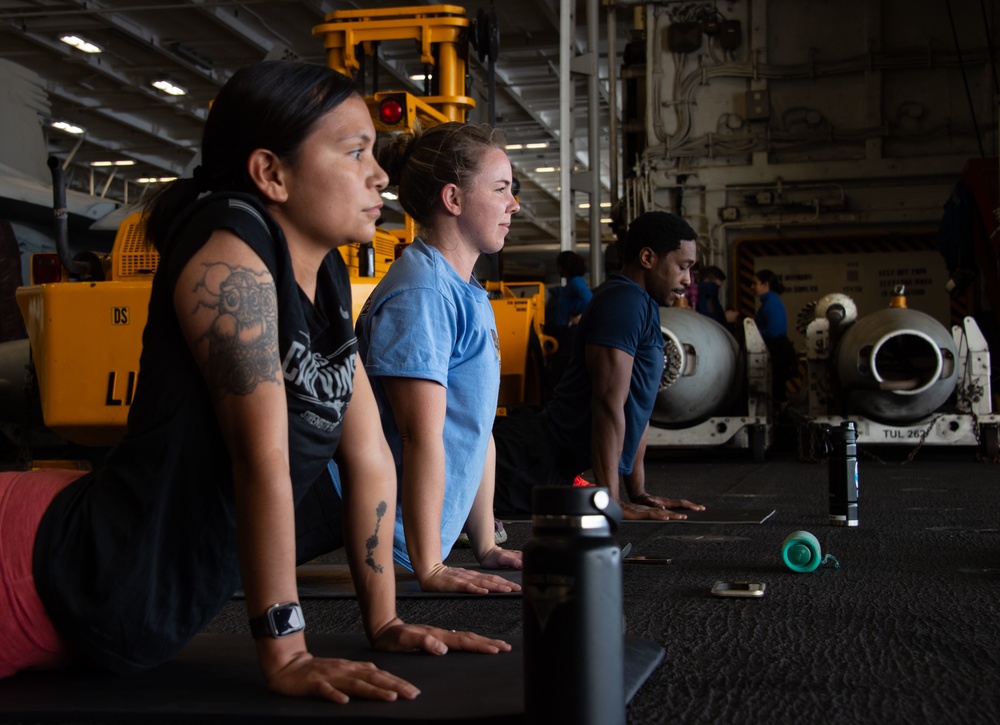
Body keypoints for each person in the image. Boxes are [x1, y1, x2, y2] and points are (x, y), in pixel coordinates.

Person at [0, 60, 509, 700]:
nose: (380, 175)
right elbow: (260, 456)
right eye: (355, 152)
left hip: (120, 596)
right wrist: (288, 651)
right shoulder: (229, 249)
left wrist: (384, 620)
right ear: (271, 172)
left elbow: (370, 454)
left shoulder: (321, 275)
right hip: (37, 569)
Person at [347, 122, 522, 595]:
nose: (514, 204)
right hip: (397, 549)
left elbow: (476, 425)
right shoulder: (422, 294)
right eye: (501, 189)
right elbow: (418, 437)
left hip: (428, 546)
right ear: (453, 199)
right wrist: (430, 568)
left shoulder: (464, 291)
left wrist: (484, 543)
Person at [493, 211, 705, 520]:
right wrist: (611, 502)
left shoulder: (643, 304)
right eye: (683, 267)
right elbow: (607, 402)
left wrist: (639, 492)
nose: (688, 280)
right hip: (526, 461)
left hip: (549, 464)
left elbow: (639, 406)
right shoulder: (624, 303)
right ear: (647, 257)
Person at [751, 268, 798, 404]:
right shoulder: (768, 302)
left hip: (777, 352)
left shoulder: (772, 304)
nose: (752, 287)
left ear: (765, 285)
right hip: (776, 350)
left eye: (755, 283)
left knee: (776, 391)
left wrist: (753, 331)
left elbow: (774, 331)